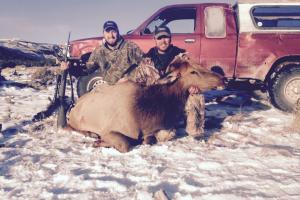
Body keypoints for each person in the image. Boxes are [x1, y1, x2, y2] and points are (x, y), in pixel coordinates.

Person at [130, 26, 205, 137]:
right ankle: (158, 128)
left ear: (170, 38)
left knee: (196, 96)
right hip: (158, 106)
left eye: (166, 37)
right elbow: (136, 83)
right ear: (155, 40)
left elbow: (196, 75)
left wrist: (194, 85)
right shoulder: (146, 61)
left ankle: (195, 132)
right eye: (160, 38)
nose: (163, 41)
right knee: (165, 137)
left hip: (178, 100)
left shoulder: (182, 58)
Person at [61, 20, 144, 84]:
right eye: (107, 32)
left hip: (129, 88)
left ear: (118, 32)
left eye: (113, 31)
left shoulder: (130, 47)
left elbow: (145, 64)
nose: (111, 35)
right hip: (110, 89)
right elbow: (86, 70)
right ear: (103, 34)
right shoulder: (99, 52)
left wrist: (130, 78)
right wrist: (71, 68)